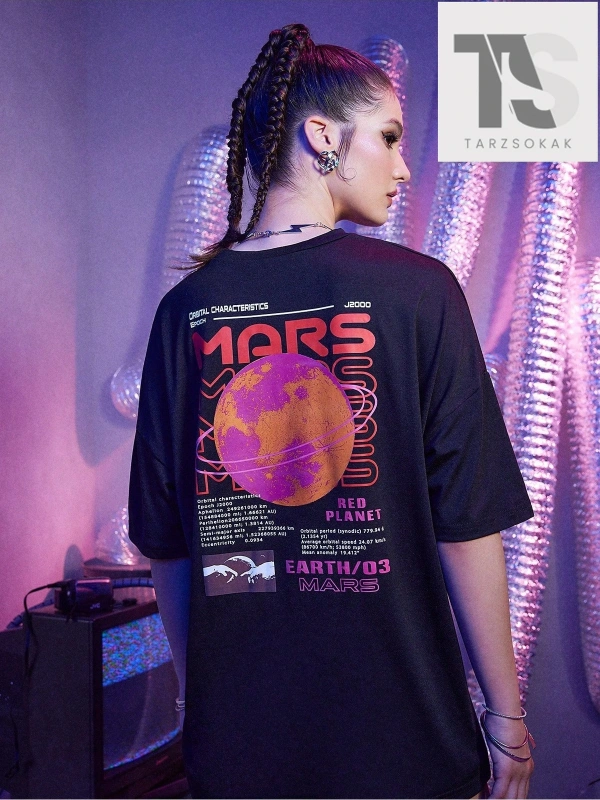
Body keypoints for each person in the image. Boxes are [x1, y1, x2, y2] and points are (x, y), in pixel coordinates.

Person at [128, 22, 536, 800]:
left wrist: (194, 706)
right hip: (405, 747)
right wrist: (507, 719)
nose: (403, 166)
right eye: (389, 136)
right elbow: (466, 527)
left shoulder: (189, 311)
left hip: (240, 753)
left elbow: (168, 545)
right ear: (323, 137)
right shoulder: (418, 291)